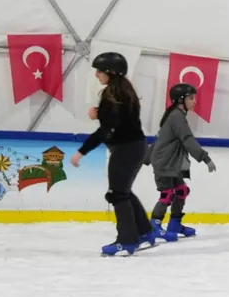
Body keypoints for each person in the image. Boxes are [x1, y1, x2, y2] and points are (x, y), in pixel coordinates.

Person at [70, 52, 155, 256]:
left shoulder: (111, 95)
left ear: (110, 72)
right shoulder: (124, 92)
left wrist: (82, 151)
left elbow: (107, 130)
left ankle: (126, 241)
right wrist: (100, 113)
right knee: (123, 190)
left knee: (117, 194)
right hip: (136, 146)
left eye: (99, 71)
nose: (96, 75)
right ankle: (145, 232)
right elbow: (120, 119)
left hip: (126, 149)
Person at [145, 83, 216, 241]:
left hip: (171, 163)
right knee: (167, 194)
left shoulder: (176, 116)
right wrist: (205, 158)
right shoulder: (176, 117)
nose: (194, 101)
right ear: (180, 100)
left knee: (182, 190)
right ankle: (154, 226)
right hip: (164, 163)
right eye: (191, 98)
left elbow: (160, 138)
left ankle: (175, 224)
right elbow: (187, 140)